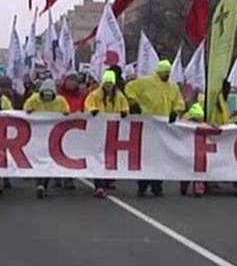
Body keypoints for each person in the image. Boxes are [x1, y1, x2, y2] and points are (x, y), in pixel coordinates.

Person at [125, 59, 185, 197]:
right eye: (165, 72)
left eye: (168, 73)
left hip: (163, 127)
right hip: (147, 125)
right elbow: (129, 88)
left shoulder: (172, 86)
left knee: (160, 157)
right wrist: (134, 103)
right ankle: (143, 185)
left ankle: (157, 186)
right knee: (146, 157)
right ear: (158, 72)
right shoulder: (145, 82)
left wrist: (175, 111)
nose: (167, 75)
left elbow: (179, 102)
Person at [85, 70, 129, 198]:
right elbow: (88, 104)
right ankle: (99, 185)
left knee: (111, 155)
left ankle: (108, 180)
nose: (108, 86)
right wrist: (93, 110)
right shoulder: (95, 95)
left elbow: (124, 106)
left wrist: (124, 111)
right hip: (98, 130)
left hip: (113, 130)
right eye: (106, 83)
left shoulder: (119, 96)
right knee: (98, 156)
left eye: (110, 83)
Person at [24, 79, 70, 199]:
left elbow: (67, 112)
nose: (47, 98)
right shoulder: (34, 99)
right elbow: (25, 111)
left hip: (54, 136)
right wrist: (29, 111)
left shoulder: (60, 101)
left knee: (50, 160)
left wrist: (65, 113)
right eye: (45, 95)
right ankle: (40, 183)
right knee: (40, 160)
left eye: (50, 95)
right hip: (37, 135)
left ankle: (43, 184)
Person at [181, 103, 209, 197]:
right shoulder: (184, 126)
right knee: (186, 169)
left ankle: (198, 188)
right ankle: (184, 187)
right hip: (188, 151)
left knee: (198, 170)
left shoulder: (203, 126)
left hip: (199, 152)